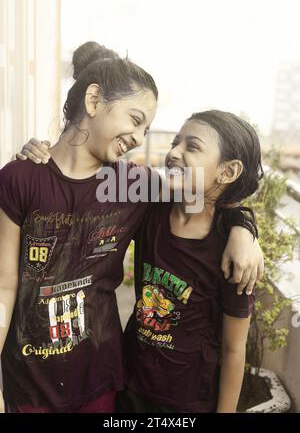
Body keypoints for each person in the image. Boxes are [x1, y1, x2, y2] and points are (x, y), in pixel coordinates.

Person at [0, 42, 263, 413]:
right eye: (137, 121)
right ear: (93, 101)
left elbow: (206, 194)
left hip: (106, 380)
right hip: (38, 381)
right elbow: (5, 284)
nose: (141, 139)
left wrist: (244, 226)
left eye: (148, 128)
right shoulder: (25, 179)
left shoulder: (132, 185)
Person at [117, 110, 263, 413]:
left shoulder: (231, 251)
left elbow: (235, 349)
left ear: (228, 171)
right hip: (130, 384)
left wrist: (243, 229)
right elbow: (94, 178)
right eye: (175, 143)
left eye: (192, 146)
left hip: (188, 400)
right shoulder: (150, 211)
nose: (173, 153)